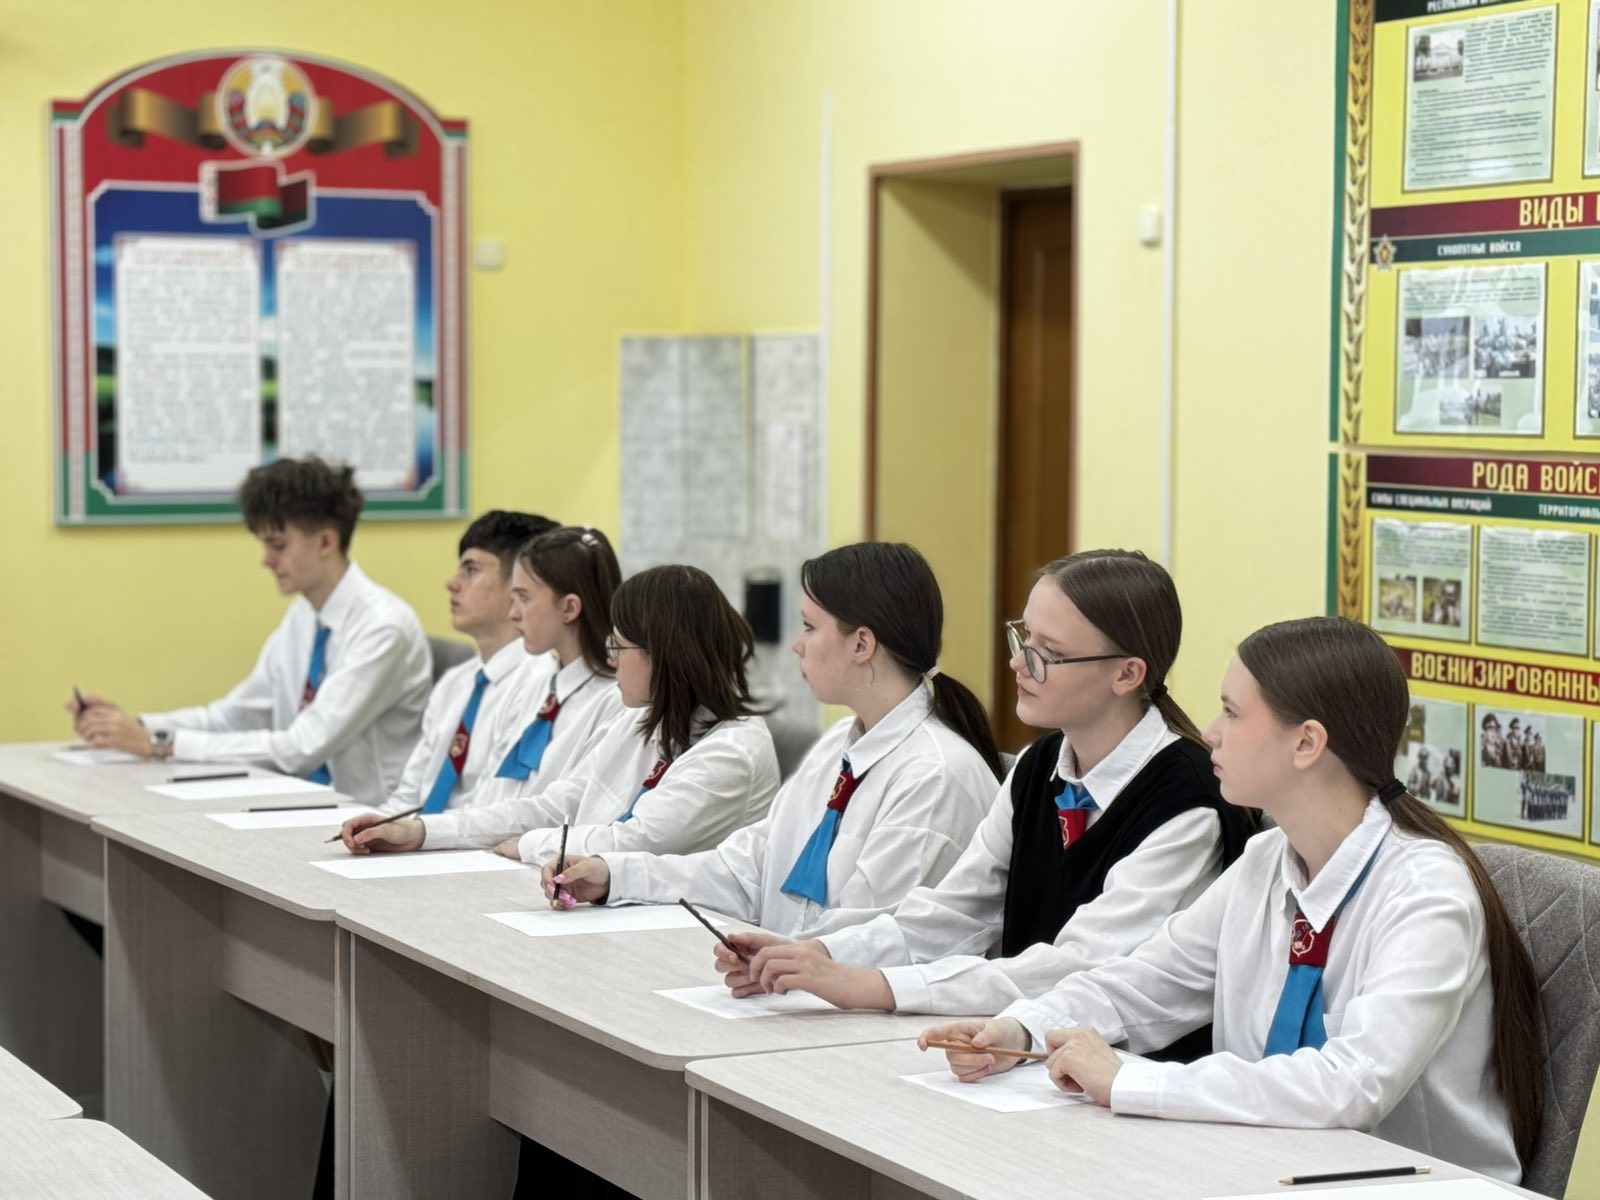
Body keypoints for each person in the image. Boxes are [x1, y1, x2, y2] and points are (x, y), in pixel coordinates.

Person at [924, 617, 1541, 1185]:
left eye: (1231, 713)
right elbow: (1142, 983)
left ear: (1307, 744)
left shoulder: (1425, 892)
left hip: (1411, 1186)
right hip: (1262, 1169)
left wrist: (1132, 1080)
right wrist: (1023, 1027)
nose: (1209, 733)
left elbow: (1350, 1085)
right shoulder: (1266, 860)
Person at [712, 550, 1251, 1042]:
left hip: (1122, 1066)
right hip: (1024, 1049)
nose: (1018, 663)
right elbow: (954, 912)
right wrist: (815, 954)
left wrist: (870, 985)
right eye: (1024, 639)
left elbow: (1079, 966)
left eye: (1048, 653)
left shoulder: (1186, 801)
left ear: (1127, 674)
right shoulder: (1039, 766)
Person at [541, 542, 1002, 936]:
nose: (798, 645)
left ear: (861, 645)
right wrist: (613, 876)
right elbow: (749, 869)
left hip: (846, 1006)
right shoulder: (840, 744)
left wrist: (778, 959)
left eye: (810, 627)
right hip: (796, 985)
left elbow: (873, 939)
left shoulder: (934, 775)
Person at [72, 457, 430, 805]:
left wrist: (161, 745)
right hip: (304, 803)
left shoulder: (383, 627)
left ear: (325, 542)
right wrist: (135, 726)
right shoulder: (304, 615)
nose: (266, 560)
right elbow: (235, 716)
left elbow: (301, 748)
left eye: (278, 546)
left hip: (370, 816)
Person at [341, 526, 627, 853]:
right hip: (483, 848)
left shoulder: (615, 702)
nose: (513, 613)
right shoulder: (538, 686)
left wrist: (425, 833)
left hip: (534, 861)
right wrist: (419, 830)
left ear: (569, 608)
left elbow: (557, 811)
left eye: (524, 598)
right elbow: (488, 794)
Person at [369, 511, 558, 816]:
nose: (452, 584)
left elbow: (493, 811)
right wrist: (375, 826)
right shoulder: (455, 682)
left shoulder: (539, 684)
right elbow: (409, 796)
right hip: (423, 833)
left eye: (471, 570)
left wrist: (416, 833)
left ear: (520, 583)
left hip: (467, 838)